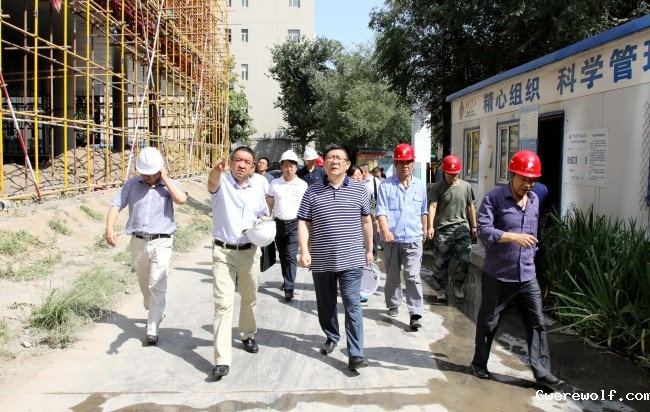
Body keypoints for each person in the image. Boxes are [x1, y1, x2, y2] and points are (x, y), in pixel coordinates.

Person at [470, 150, 564, 387]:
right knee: (488, 322)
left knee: (537, 322)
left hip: (527, 275)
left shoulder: (534, 200)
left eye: (532, 180)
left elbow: (533, 231)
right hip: (498, 275)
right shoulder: (494, 199)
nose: (527, 184)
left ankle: (542, 372)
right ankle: (479, 363)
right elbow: (484, 231)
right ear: (511, 174)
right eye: (523, 179)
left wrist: (532, 251)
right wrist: (513, 237)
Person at [297, 143, 374, 371]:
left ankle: (356, 354)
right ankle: (332, 335)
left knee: (353, 305)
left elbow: (366, 221)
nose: (335, 161)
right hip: (322, 259)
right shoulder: (312, 191)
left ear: (348, 164)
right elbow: (304, 222)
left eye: (339, 158)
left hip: (352, 259)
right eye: (330, 157)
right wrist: (304, 251)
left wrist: (369, 250)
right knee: (326, 304)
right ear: (324, 163)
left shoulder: (360, 190)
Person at [105, 147, 188, 345]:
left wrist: (165, 179)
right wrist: (109, 228)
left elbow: (181, 199)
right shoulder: (132, 185)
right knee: (144, 285)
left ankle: (152, 327)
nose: (147, 177)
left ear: (160, 169)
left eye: (151, 173)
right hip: (138, 241)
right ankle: (154, 309)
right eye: (144, 173)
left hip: (162, 241)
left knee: (156, 283)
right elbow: (116, 205)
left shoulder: (169, 186)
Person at [207, 146, 269, 380]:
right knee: (223, 305)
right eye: (238, 160)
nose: (242, 165)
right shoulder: (221, 183)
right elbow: (211, 183)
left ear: (252, 167)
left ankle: (247, 333)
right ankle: (222, 360)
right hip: (224, 253)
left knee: (249, 298)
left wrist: (265, 226)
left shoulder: (257, 189)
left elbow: (263, 214)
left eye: (247, 162)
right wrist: (216, 170)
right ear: (231, 163)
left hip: (250, 252)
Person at [375, 143, 428, 330]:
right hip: (393, 239)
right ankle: (393, 303)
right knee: (392, 275)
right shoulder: (386, 186)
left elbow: (423, 211)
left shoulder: (420, 185)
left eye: (408, 162)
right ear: (396, 163)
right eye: (402, 162)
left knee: (412, 276)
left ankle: (415, 313)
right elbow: (381, 211)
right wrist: (385, 230)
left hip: (414, 237)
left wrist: (425, 230)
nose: (405, 165)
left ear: (412, 163)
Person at [426, 155, 477, 303]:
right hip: (443, 229)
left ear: (459, 172)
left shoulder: (466, 187)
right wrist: (430, 226)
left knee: (465, 260)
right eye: (449, 173)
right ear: (444, 172)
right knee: (441, 262)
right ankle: (441, 288)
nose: (452, 176)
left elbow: (470, 206)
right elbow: (433, 206)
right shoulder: (438, 187)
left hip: (462, 228)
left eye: (454, 174)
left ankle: (457, 285)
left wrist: (474, 225)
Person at [267, 150, 308, 302]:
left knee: (291, 255)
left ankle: (289, 287)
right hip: (278, 224)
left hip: (295, 225)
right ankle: (287, 280)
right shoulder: (275, 183)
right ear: (281, 167)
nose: (288, 169)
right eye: (285, 166)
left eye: (291, 166)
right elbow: (270, 204)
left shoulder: (302, 185)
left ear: (296, 167)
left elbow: (307, 207)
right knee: (283, 255)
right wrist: (267, 218)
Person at [360, 164, 382, 258]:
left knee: (373, 233)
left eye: (360, 172)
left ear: (365, 171)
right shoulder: (360, 181)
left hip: (373, 211)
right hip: (361, 212)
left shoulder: (376, 182)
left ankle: (374, 253)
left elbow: (381, 197)